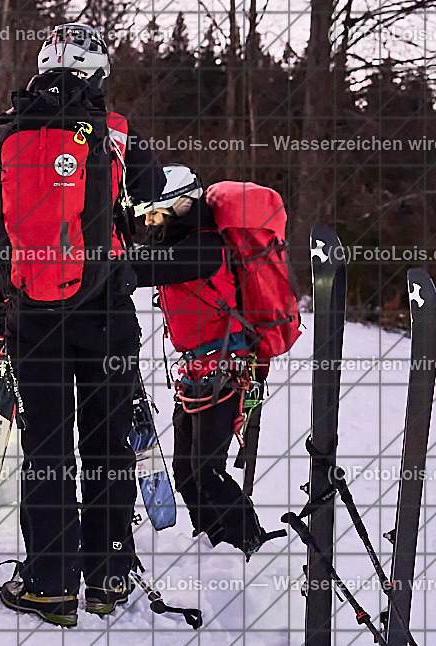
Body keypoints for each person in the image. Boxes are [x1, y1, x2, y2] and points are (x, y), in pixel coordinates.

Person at [0, 23, 165, 626]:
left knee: (47, 449)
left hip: (32, 315)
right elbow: (154, 189)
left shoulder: (7, 131)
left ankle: (49, 586)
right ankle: (106, 580)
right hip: (106, 313)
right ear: (97, 75)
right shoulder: (116, 134)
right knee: (107, 446)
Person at [130, 164, 274, 559]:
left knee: (207, 471)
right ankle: (210, 544)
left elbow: (146, 267)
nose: (151, 222)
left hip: (227, 369)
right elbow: (144, 259)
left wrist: (103, 267)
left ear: (182, 205)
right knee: (186, 472)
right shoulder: (177, 243)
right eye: (146, 215)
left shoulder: (205, 249)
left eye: (157, 213)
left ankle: (244, 544)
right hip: (196, 371)